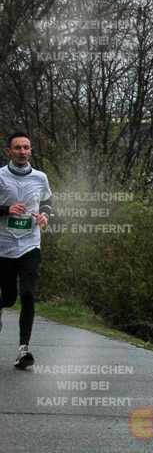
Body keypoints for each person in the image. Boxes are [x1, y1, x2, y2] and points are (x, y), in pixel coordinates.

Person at [0, 132, 52, 368]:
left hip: (30, 244)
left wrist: (45, 215)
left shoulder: (40, 177)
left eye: (26, 147)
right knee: (9, 298)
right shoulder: (1, 176)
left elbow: (47, 201)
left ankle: (23, 349)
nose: (22, 152)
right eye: (17, 148)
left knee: (28, 294)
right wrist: (6, 209)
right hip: (4, 246)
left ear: (31, 151)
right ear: (8, 151)